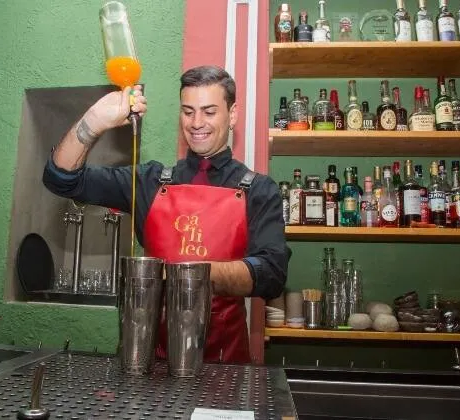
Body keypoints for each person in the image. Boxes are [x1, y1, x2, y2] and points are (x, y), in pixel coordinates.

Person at [43, 65, 288, 364]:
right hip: (150, 362)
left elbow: (271, 273)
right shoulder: (149, 181)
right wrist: (93, 121)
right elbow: (60, 179)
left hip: (225, 366)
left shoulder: (259, 190)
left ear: (232, 114)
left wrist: (183, 275)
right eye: (188, 111)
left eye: (209, 112)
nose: (196, 123)